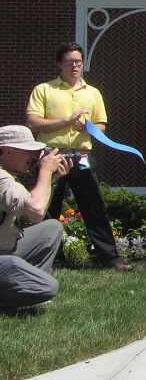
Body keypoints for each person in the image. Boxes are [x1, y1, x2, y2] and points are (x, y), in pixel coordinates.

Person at [26, 42, 131, 271]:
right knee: (49, 208)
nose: (74, 66)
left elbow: (102, 125)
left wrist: (88, 127)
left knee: (93, 207)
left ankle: (111, 259)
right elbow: (33, 122)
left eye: (78, 62)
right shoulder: (44, 90)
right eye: (69, 62)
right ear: (59, 64)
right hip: (51, 155)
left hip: (81, 155)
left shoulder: (92, 92)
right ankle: (51, 261)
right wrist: (66, 121)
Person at [0, 126, 71, 309]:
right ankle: (25, 292)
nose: (35, 158)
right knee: (48, 286)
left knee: (51, 228)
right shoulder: (1, 179)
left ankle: (25, 289)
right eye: (29, 151)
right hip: (4, 256)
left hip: (5, 247)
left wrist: (51, 180)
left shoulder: (7, 175)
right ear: (8, 152)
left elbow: (33, 218)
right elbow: (36, 211)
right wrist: (45, 172)